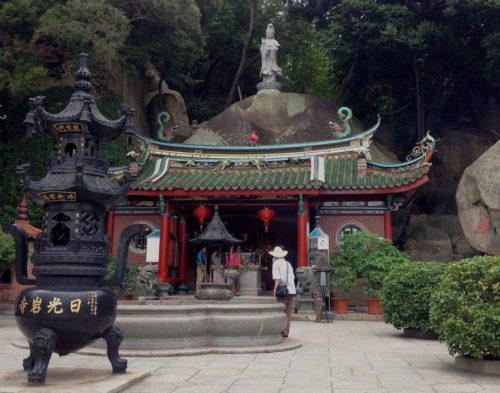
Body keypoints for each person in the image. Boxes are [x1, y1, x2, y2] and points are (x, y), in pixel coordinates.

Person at [270, 246, 296, 338]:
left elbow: (278, 278)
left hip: (282, 291)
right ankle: (285, 332)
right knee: (287, 312)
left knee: (279, 310)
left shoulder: (276, 264)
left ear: (276, 256)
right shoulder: (288, 264)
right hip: (291, 290)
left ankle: (279, 330)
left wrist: (274, 289)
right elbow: (292, 278)